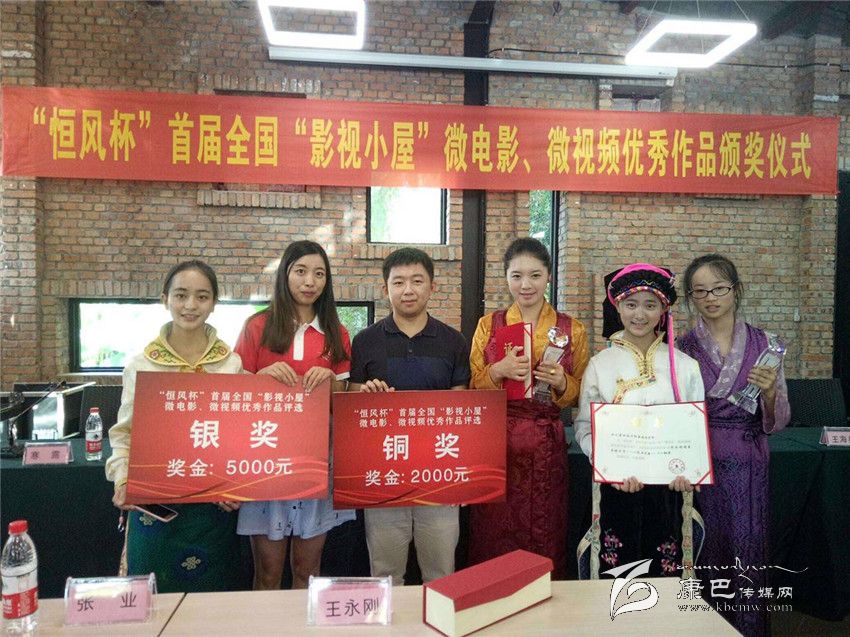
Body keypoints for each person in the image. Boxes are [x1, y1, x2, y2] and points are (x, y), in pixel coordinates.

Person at [106, 260, 244, 593]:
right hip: (154, 509)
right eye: (181, 295)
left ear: (214, 303)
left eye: (202, 296)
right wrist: (123, 479)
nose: (190, 305)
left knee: (212, 604)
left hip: (211, 512)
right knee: (151, 600)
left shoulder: (230, 364)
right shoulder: (141, 365)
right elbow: (124, 434)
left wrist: (235, 484)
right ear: (165, 299)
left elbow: (237, 437)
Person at [678, 253, 790, 637]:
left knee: (747, 544)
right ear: (691, 298)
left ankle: (748, 628)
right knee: (705, 548)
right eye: (700, 292)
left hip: (747, 456)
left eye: (719, 289)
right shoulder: (683, 348)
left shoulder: (765, 345)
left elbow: (778, 419)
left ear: (736, 290)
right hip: (701, 459)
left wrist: (770, 392)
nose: (710, 298)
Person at [235, 240, 355, 590]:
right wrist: (261, 378)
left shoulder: (337, 332)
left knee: (307, 570)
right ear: (285, 275)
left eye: (319, 274)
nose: (310, 282)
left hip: (316, 461)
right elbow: (235, 398)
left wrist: (331, 380)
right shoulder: (257, 326)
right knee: (267, 572)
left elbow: (343, 402)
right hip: (266, 460)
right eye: (300, 271)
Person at [575, 263, 705, 579]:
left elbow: (694, 430)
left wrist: (688, 471)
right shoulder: (600, 365)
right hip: (616, 488)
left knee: (666, 575)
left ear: (663, 310)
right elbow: (585, 426)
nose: (640, 314)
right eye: (631, 304)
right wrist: (609, 467)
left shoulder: (686, 366)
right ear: (618, 307)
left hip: (669, 492)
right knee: (616, 577)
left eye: (650, 305)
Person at [468, 237, 588, 579]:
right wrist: (497, 371)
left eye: (535, 275)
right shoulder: (489, 325)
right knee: (493, 528)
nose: (526, 285)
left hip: (545, 442)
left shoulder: (571, 329)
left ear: (548, 276)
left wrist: (562, 382)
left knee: (545, 526)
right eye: (516, 275)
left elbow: (583, 392)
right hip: (496, 442)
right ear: (506, 277)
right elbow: (472, 386)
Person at [350, 248, 470, 584]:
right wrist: (367, 398)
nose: (408, 290)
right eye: (398, 282)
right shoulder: (365, 341)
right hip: (383, 474)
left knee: (441, 574)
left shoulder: (454, 341)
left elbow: (460, 410)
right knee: (385, 575)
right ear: (385, 288)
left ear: (432, 287)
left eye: (417, 281)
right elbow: (352, 408)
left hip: (440, 474)